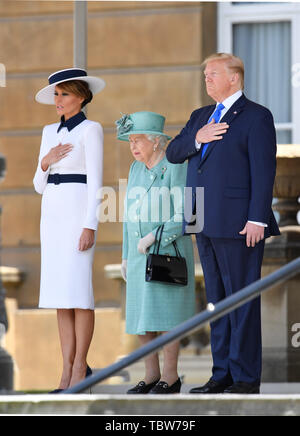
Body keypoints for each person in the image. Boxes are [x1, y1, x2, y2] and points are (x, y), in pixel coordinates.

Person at [166, 53, 280, 394]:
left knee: (242, 299)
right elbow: (174, 152)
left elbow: (264, 171)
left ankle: (245, 377)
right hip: (202, 219)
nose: (207, 79)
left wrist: (258, 216)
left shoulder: (256, 116)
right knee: (216, 300)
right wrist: (197, 137)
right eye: (205, 74)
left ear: (234, 78)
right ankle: (222, 374)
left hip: (239, 223)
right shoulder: (200, 116)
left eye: (213, 74)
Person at [33, 68, 105, 392]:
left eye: (63, 94)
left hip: (78, 215)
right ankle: (65, 374)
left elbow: (96, 182)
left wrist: (90, 224)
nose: (57, 100)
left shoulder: (91, 130)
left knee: (80, 295)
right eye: (56, 95)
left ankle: (80, 368)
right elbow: (37, 185)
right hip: (52, 216)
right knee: (61, 296)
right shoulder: (49, 131)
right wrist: (46, 161)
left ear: (81, 96)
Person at [116, 111, 195, 394]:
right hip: (139, 256)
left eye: (138, 140)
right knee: (142, 318)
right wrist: (126, 254)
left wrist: (155, 236)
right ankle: (151, 375)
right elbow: (128, 215)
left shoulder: (176, 165)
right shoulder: (135, 169)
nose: (133, 146)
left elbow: (189, 213)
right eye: (130, 141)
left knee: (168, 317)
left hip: (167, 251)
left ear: (157, 141)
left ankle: (171, 377)